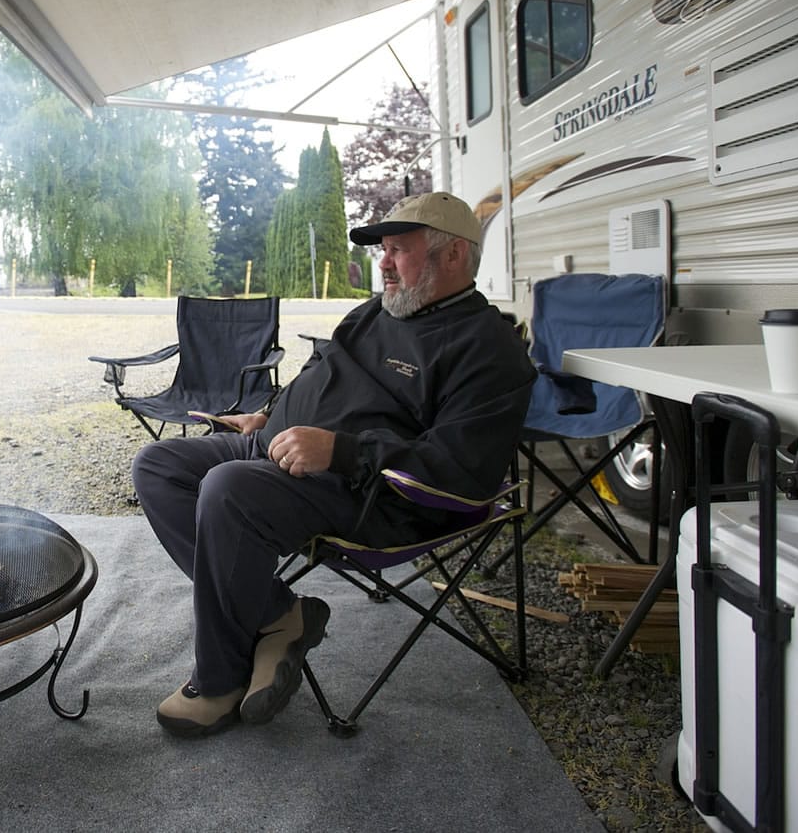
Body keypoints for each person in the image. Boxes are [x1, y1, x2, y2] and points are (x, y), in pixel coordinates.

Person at [131, 191, 536, 736]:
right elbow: (320, 376)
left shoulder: (488, 350)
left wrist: (341, 450)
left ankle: (221, 677)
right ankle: (279, 615)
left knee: (227, 490)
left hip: (369, 492)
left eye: (398, 250)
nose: (384, 264)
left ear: (455, 257)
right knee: (158, 465)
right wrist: (269, 414)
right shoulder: (375, 312)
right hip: (273, 451)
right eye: (383, 251)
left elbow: (462, 472)